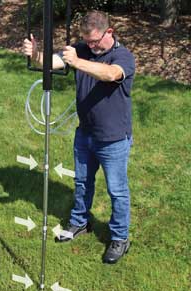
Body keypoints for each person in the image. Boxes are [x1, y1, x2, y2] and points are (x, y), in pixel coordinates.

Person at [20, 10, 136, 264]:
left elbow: (109, 74)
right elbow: (50, 63)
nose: (91, 46)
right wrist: (37, 53)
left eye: (95, 41)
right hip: (85, 134)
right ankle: (79, 223)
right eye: (87, 41)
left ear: (109, 32)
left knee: (117, 191)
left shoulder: (123, 56)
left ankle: (120, 238)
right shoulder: (81, 48)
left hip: (113, 138)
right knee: (82, 182)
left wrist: (78, 61)